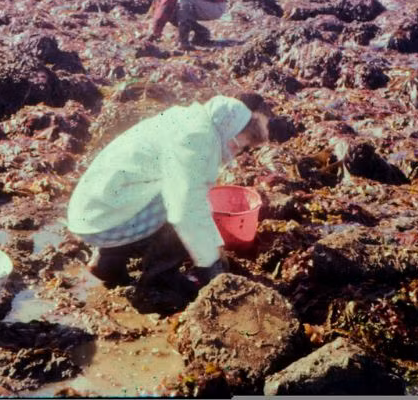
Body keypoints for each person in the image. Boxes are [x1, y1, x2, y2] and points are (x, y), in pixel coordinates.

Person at [67, 95, 269, 298]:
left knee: (166, 191)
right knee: (179, 207)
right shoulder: (195, 139)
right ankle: (160, 280)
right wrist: (213, 267)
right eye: (238, 145)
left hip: (94, 209)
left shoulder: (189, 120)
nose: (235, 152)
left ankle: (108, 263)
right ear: (229, 131)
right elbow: (187, 209)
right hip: (104, 219)